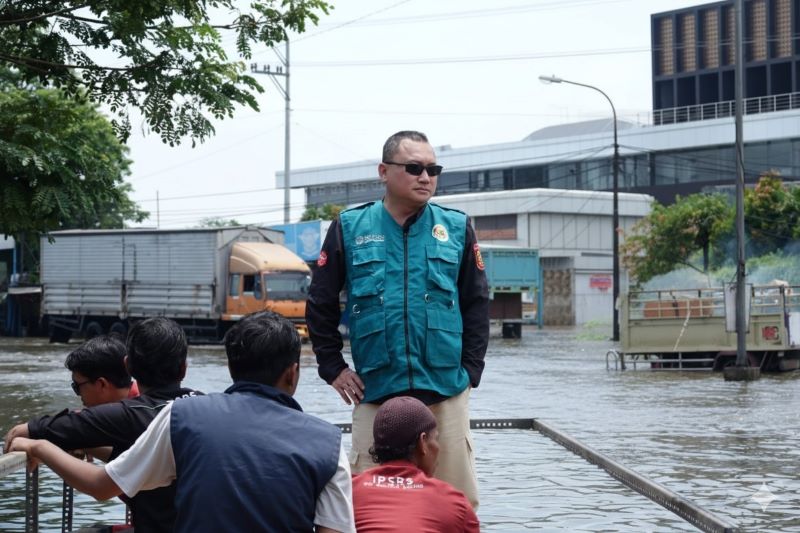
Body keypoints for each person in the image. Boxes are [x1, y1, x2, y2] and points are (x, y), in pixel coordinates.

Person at [8, 311, 355, 533]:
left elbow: (103, 485)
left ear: (232, 367)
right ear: (293, 373)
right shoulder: (327, 443)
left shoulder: (182, 418)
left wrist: (39, 445)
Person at [306, 130, 489, 508]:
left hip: (444, 390)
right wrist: (333, 367)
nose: (426, 177)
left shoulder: (455, 228)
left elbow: (477, 302)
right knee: (367, 507)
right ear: (384, 171)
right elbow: (320, 303)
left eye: (432, 169)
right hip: (376, 391)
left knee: (456, 505)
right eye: (414, 168)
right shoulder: (351, 227)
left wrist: (470, 371)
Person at [3, 317, 199, 533]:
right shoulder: (201, 405)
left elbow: (100, 485)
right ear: (183, 369)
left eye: (78, 387)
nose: (79, 397)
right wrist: (83, 444)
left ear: (128, 366)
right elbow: (135, 454)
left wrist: (38, 446)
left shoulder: (135, 412)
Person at [352, 396, 480, 533]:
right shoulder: (454, 502)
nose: (438, 447)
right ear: (423, 442)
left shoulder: (347, 490)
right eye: (436, 438)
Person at [64, 335, 138, 407]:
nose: (78, 394)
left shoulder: (132, 415)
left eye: (77, 386)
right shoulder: (142, 403)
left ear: (102, 384)